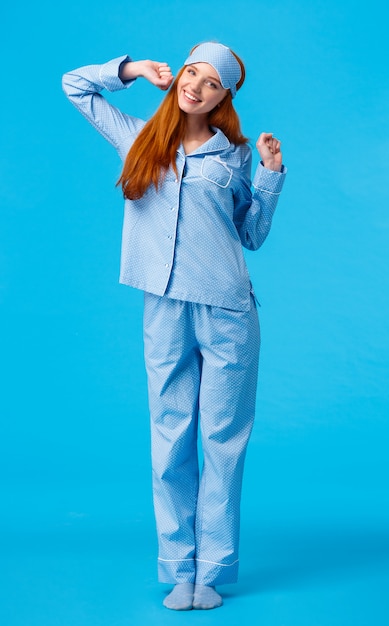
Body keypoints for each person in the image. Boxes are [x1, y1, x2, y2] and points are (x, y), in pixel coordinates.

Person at [62, 41, 286, 611]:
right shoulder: (138, 138)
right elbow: (75, 85)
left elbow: (252, 234)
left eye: (212, 82)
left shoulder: (233, 155)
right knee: (170, 438)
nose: (197, 86)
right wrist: (134, 70)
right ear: (179, 75)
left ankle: (212, 568)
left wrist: (269, 176)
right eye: (192, 72)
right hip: (163, 305)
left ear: (224, 96)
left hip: (228, 309)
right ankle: (178, 565)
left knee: (222, 440)